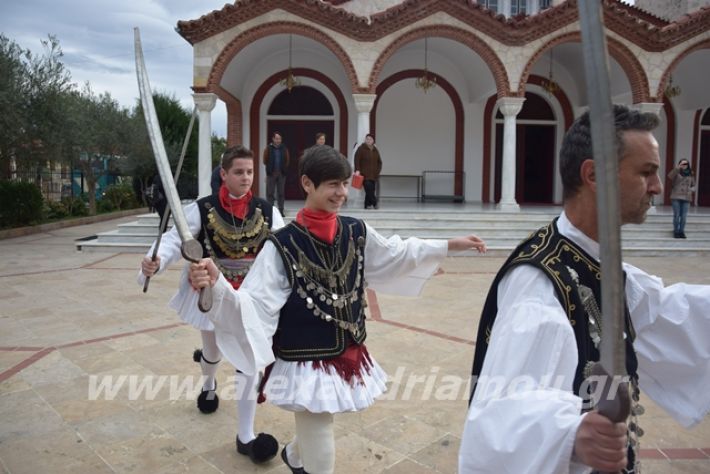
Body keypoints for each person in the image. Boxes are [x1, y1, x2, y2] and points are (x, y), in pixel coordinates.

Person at [188, 145, 487, 474]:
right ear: (307, 184)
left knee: (318, 426)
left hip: (347, 349)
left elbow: (396, 253)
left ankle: (295, 454)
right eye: (332, 184)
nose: (341, 192)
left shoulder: (356, 230)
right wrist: (217, 283)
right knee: (322, 442)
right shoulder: (281, 245)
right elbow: (252, 304)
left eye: (345, 183)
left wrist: (448, 245)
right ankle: (306, 459)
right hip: (303, 358)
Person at [459, 104, 710, 473]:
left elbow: (665, 310)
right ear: (594, 174)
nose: (658, 187)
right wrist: (570, 432)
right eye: (646, 172)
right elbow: (499, 414)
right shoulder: (540, 285)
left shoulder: (596, 260)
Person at [139, 145, 284, 464]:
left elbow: (284, 247)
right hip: (209, 291)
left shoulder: (267, 210)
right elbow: (175, 240)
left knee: (248, 360)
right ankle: (208, 384)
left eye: (249, 172)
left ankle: (245, 434)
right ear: (224, 174)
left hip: (248, 297)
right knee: (214, 351)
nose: (246, 178)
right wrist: (157, 259)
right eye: (238, 172)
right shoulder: (201, 208)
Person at [262, 131, 290, 216]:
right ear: (273, 139)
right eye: (277, 138)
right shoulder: (268, 148)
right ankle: (271, 211)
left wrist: (284, 169)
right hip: (271, 173)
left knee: (281, 193)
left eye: (280, 139)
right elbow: (265, 160)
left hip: (281, 173)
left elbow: (287, 160)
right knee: (270, 193)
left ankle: (281, 210)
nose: (278, 140)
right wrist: (269, 169)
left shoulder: (284, 148)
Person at [667, 158, 695, 239]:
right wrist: (677, 168)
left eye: (685, 164)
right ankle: (676, 231)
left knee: (684, 216)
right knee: (677, 215)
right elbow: (669, 176)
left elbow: (694, 185)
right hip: (676, 196)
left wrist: (691, 190)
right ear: (679, 164)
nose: (684, 165)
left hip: (686, 197)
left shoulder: (691, 173)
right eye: (682, 164)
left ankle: (681, 231)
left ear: (688, 165)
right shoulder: (676, 172)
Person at [354, 133, 382, 209]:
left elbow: (379, 162)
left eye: (370, 139)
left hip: (373, 175)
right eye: (367, 139)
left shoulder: (375, 150)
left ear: (373, 141)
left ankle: (367, 204)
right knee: (368, 188)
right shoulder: (361, 148)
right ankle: (375, 203)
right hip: (364, 174)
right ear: (365, 140)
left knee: (371, 190)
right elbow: (357, 159)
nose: (368, 140)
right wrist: (357, 170)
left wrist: (377, 171)